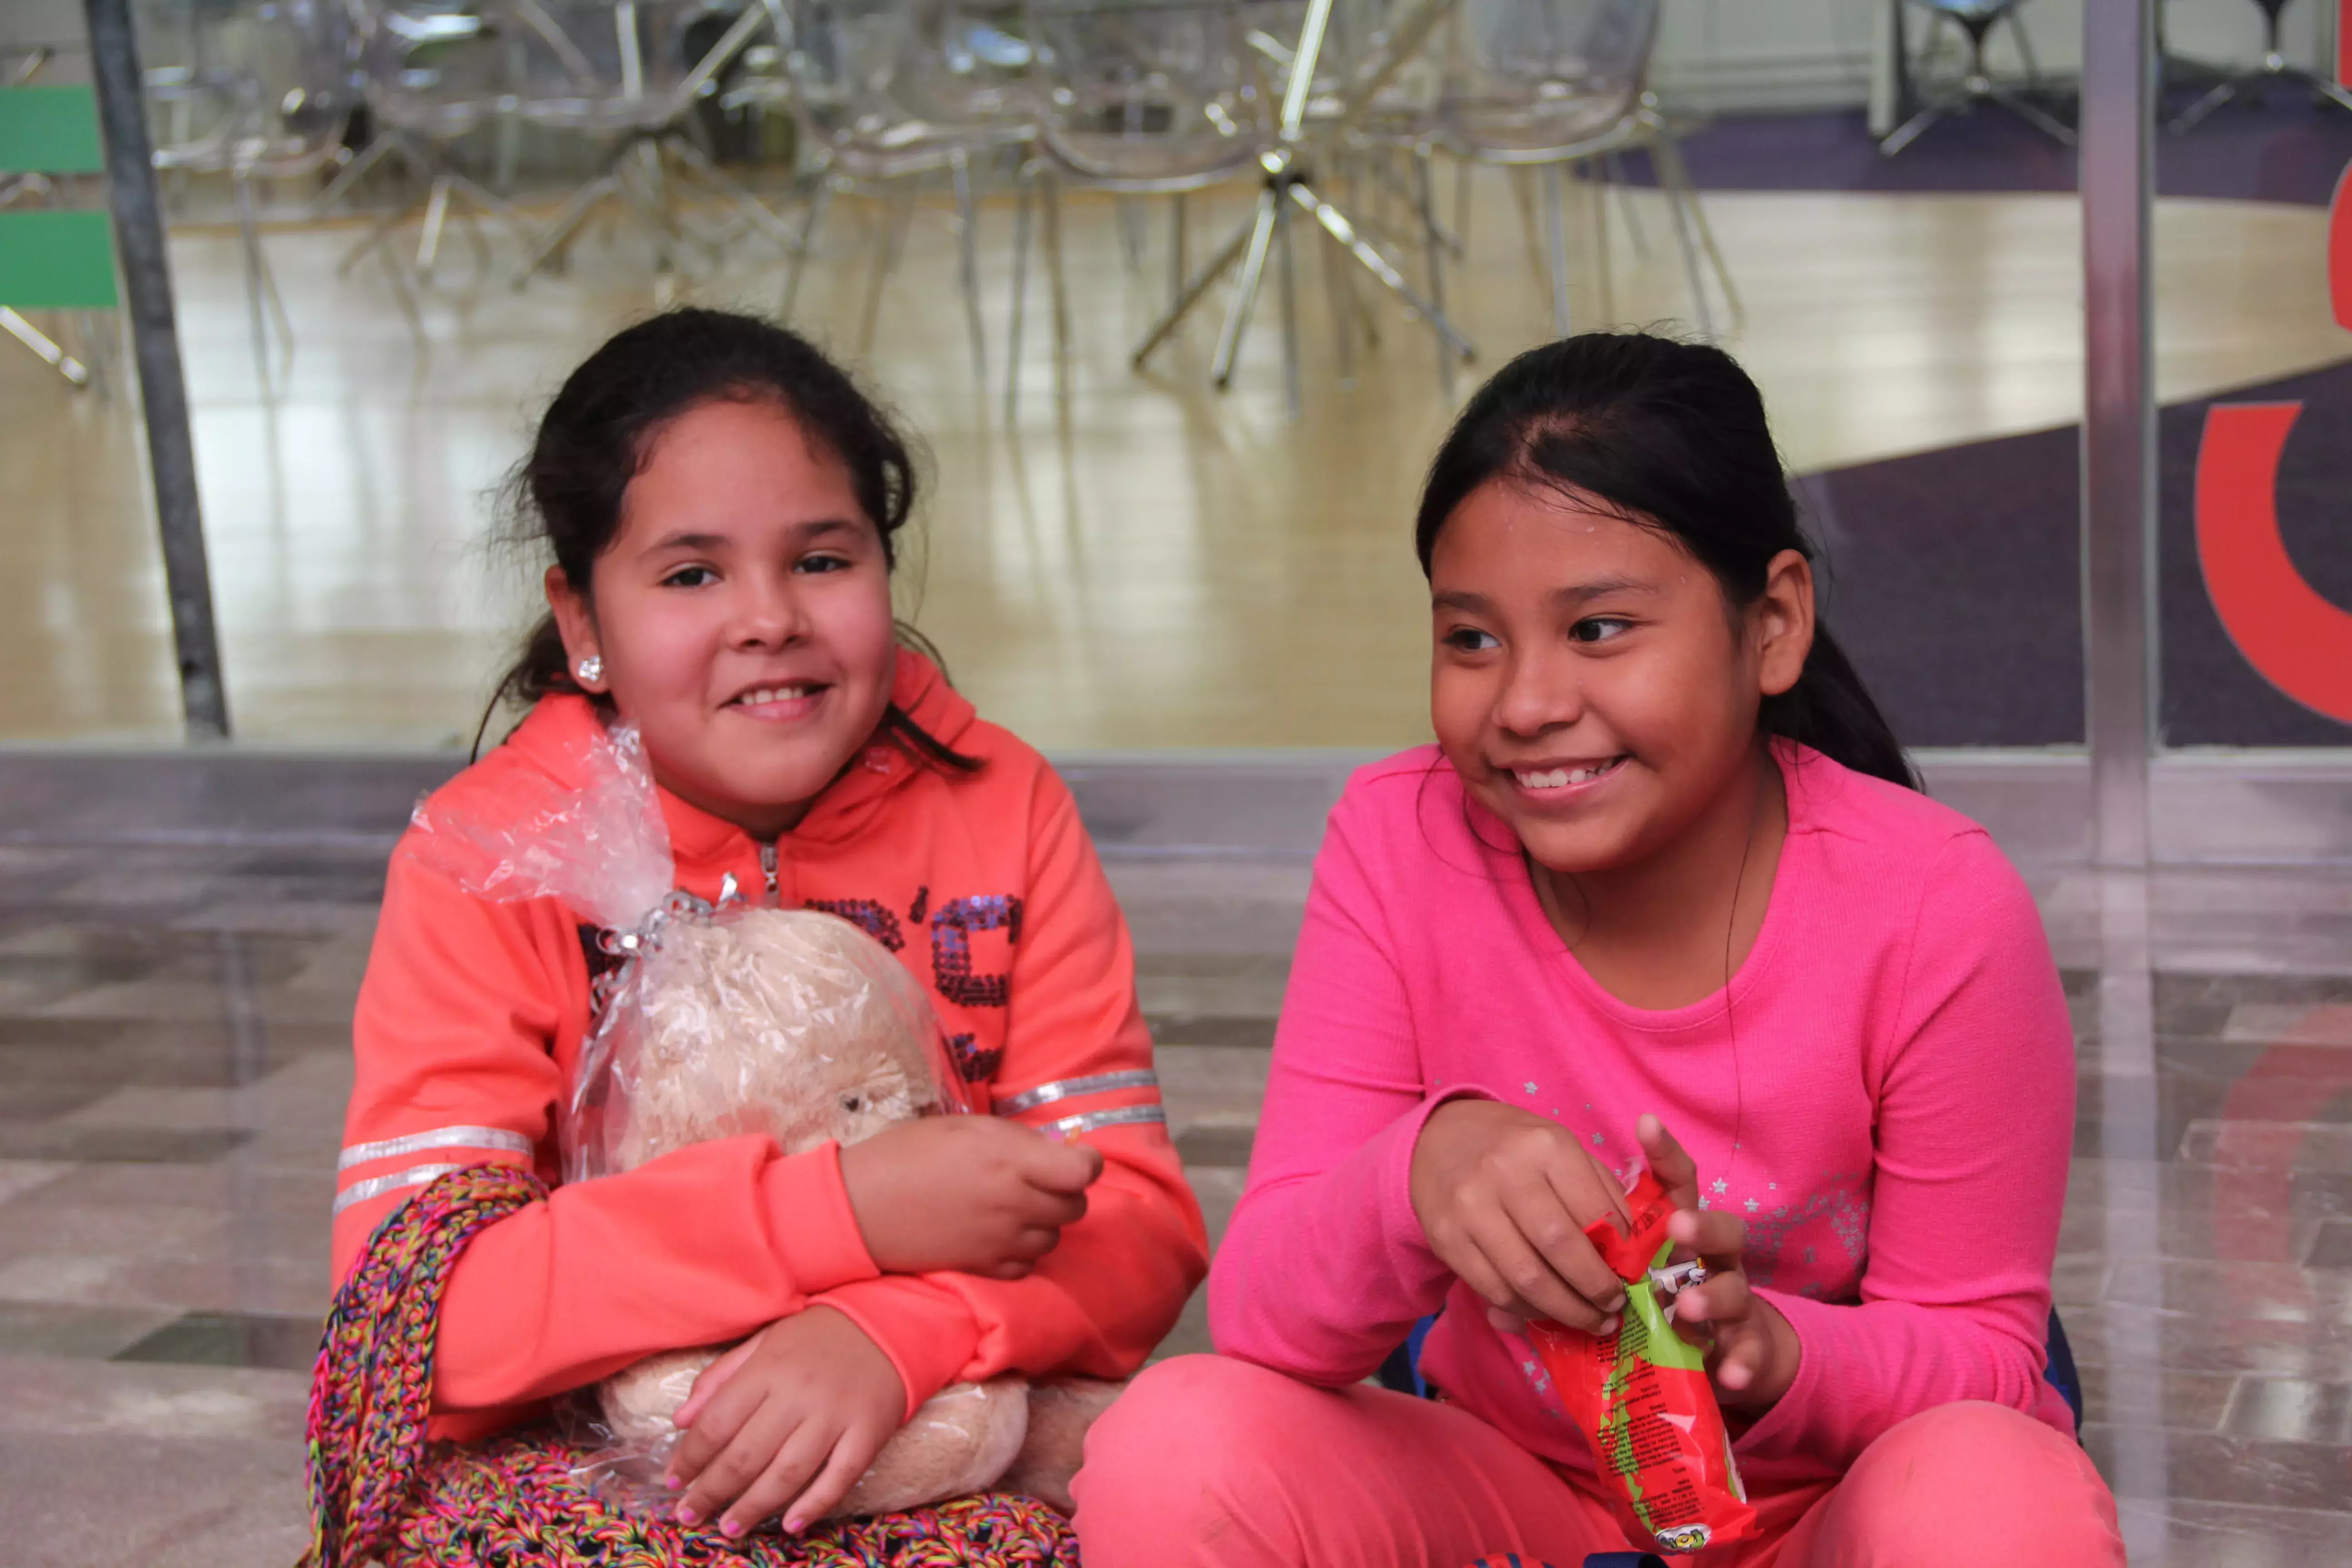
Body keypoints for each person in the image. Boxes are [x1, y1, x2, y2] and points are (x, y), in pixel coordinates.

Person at [1073, 334, 2122, 1566]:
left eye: (1601, 628)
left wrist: (1777, 1353)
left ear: (1773, 624)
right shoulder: (1398, 840)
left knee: (1998, 1495)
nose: (1523, 702)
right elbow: (1262, 1319)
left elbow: (1986, 1364)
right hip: (1514, 1498)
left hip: (1827, 1513)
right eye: (1471, 639)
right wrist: (1418, 1172)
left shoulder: (1937, 906)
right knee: (1179, 1441)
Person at [332, 308, 1205, 1540]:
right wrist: (842, 1215)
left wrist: (897, 1331)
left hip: (947, 1414)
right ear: (582, 621)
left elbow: (1139, 1231)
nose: (770, 620)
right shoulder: (490, 862)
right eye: (692, 574)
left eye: (822, 559)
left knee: (1165, 1492)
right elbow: (419, 1319)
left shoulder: (1003, 807)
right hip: (601, 1474)